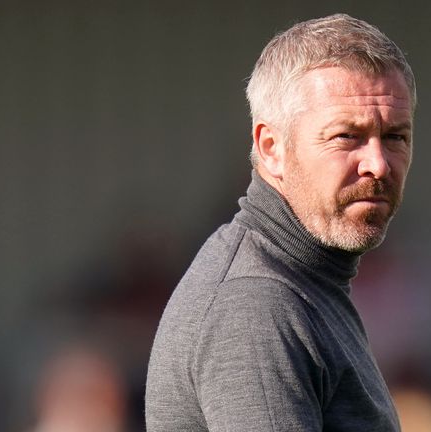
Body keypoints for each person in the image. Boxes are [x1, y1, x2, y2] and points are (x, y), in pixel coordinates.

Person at [145, 13, 416, 432]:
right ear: (271, 148)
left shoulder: (305, 279)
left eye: (396, 137)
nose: (378, 164)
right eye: (347, 136)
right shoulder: (256, 304)